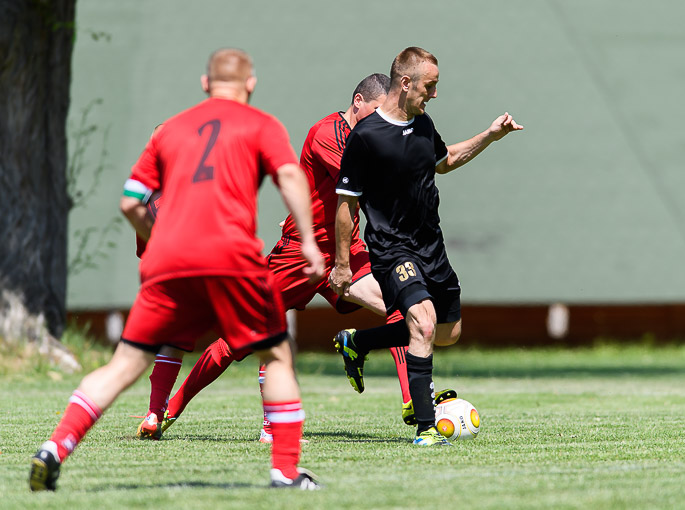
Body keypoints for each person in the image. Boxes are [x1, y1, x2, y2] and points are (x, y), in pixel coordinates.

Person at [29, 48, 324, 491]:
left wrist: (160, 238)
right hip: (232, 259)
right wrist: (310, 242)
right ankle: (284, 471)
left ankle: (54, 449)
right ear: (250, 84)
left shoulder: (169, 131)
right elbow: (290, 177)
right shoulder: (262, 124)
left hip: (168, 261)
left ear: (205, 84)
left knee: (123, 365)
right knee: (277, 356)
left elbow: (130, 202)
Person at [137, 73, 456, 444]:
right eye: (376, 110)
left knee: (402, 307)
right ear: (358, 102)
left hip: (344, 252)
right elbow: (369, 183)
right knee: (237, 340)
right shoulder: (328, 133)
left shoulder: (372, 135)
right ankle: (171, 408)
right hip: (299, 256)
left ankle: (412, 400)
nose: (381, 118)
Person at [330, 47, 523, 446]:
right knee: (423, 323)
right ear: (405, 83)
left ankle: (358, 342)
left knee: (448, 333)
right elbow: (346, 205)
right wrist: (342, 263)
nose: (434, 94)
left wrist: (490, 136)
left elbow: (445, 160)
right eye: (429, 86)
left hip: (431, 246)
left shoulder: (422, 124)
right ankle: (426, 428)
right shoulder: (365, 137)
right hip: (391, 249)